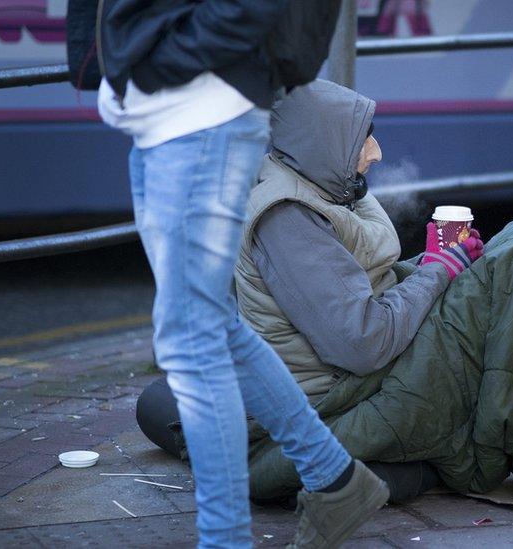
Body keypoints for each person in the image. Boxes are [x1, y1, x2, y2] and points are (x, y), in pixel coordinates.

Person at [139, 79, 513, 510]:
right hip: (352, 386)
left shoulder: (315, 187)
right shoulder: (287, 218)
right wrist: (440, 269)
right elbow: (360, 343)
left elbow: (360, 293)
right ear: (326, 145)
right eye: (364, 139)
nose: (376, 152)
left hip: (374, 362)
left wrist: (435, 266)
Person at [95, 3, 388, 548]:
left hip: (197, 108)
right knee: (206, 324)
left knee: (190, 338)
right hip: (167, 108)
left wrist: (158, 64)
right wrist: (119, 65)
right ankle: (334, 478)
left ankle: (227, 539)